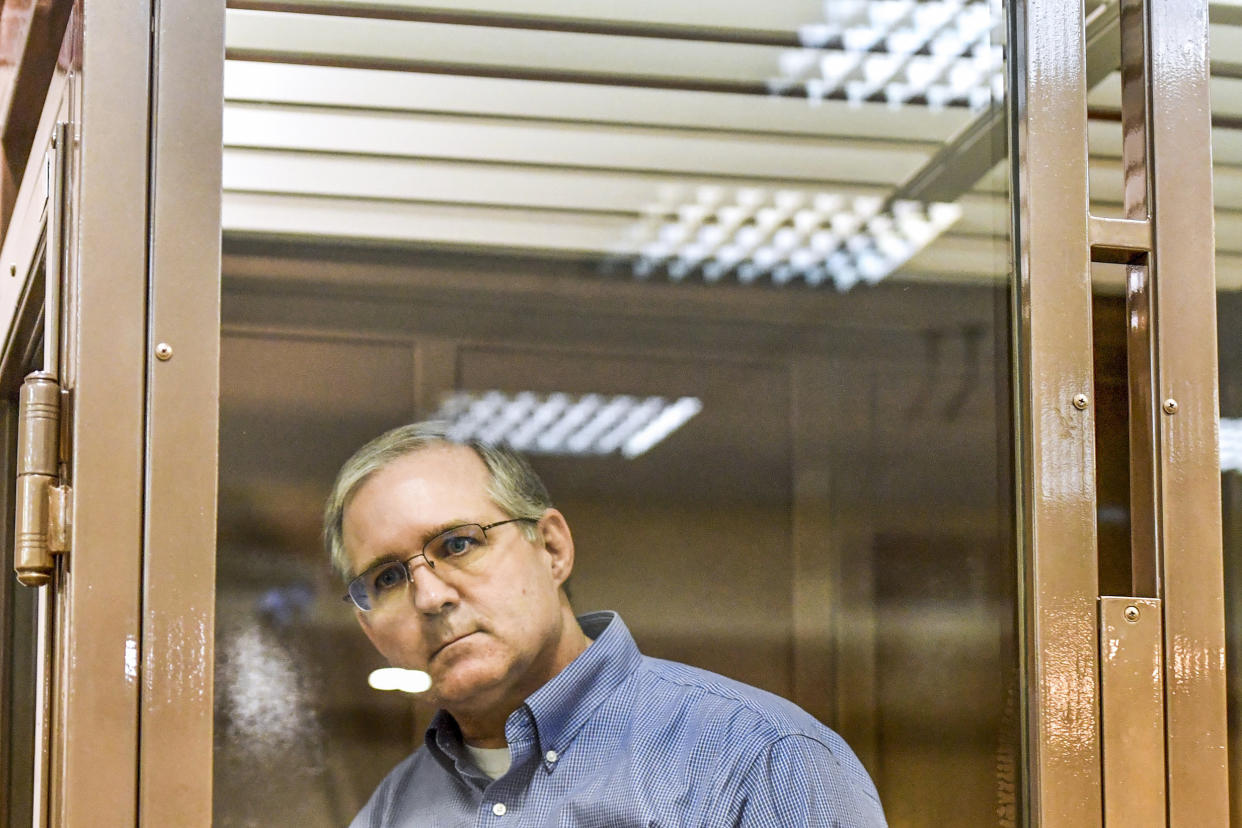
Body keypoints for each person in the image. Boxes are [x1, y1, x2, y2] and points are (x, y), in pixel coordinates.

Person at [325, 421, 887, 827]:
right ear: (370, 629)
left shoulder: (760, 761)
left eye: (457, 544)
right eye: (388, 578)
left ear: (551, 548)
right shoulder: (389, 813)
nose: (429, 596)